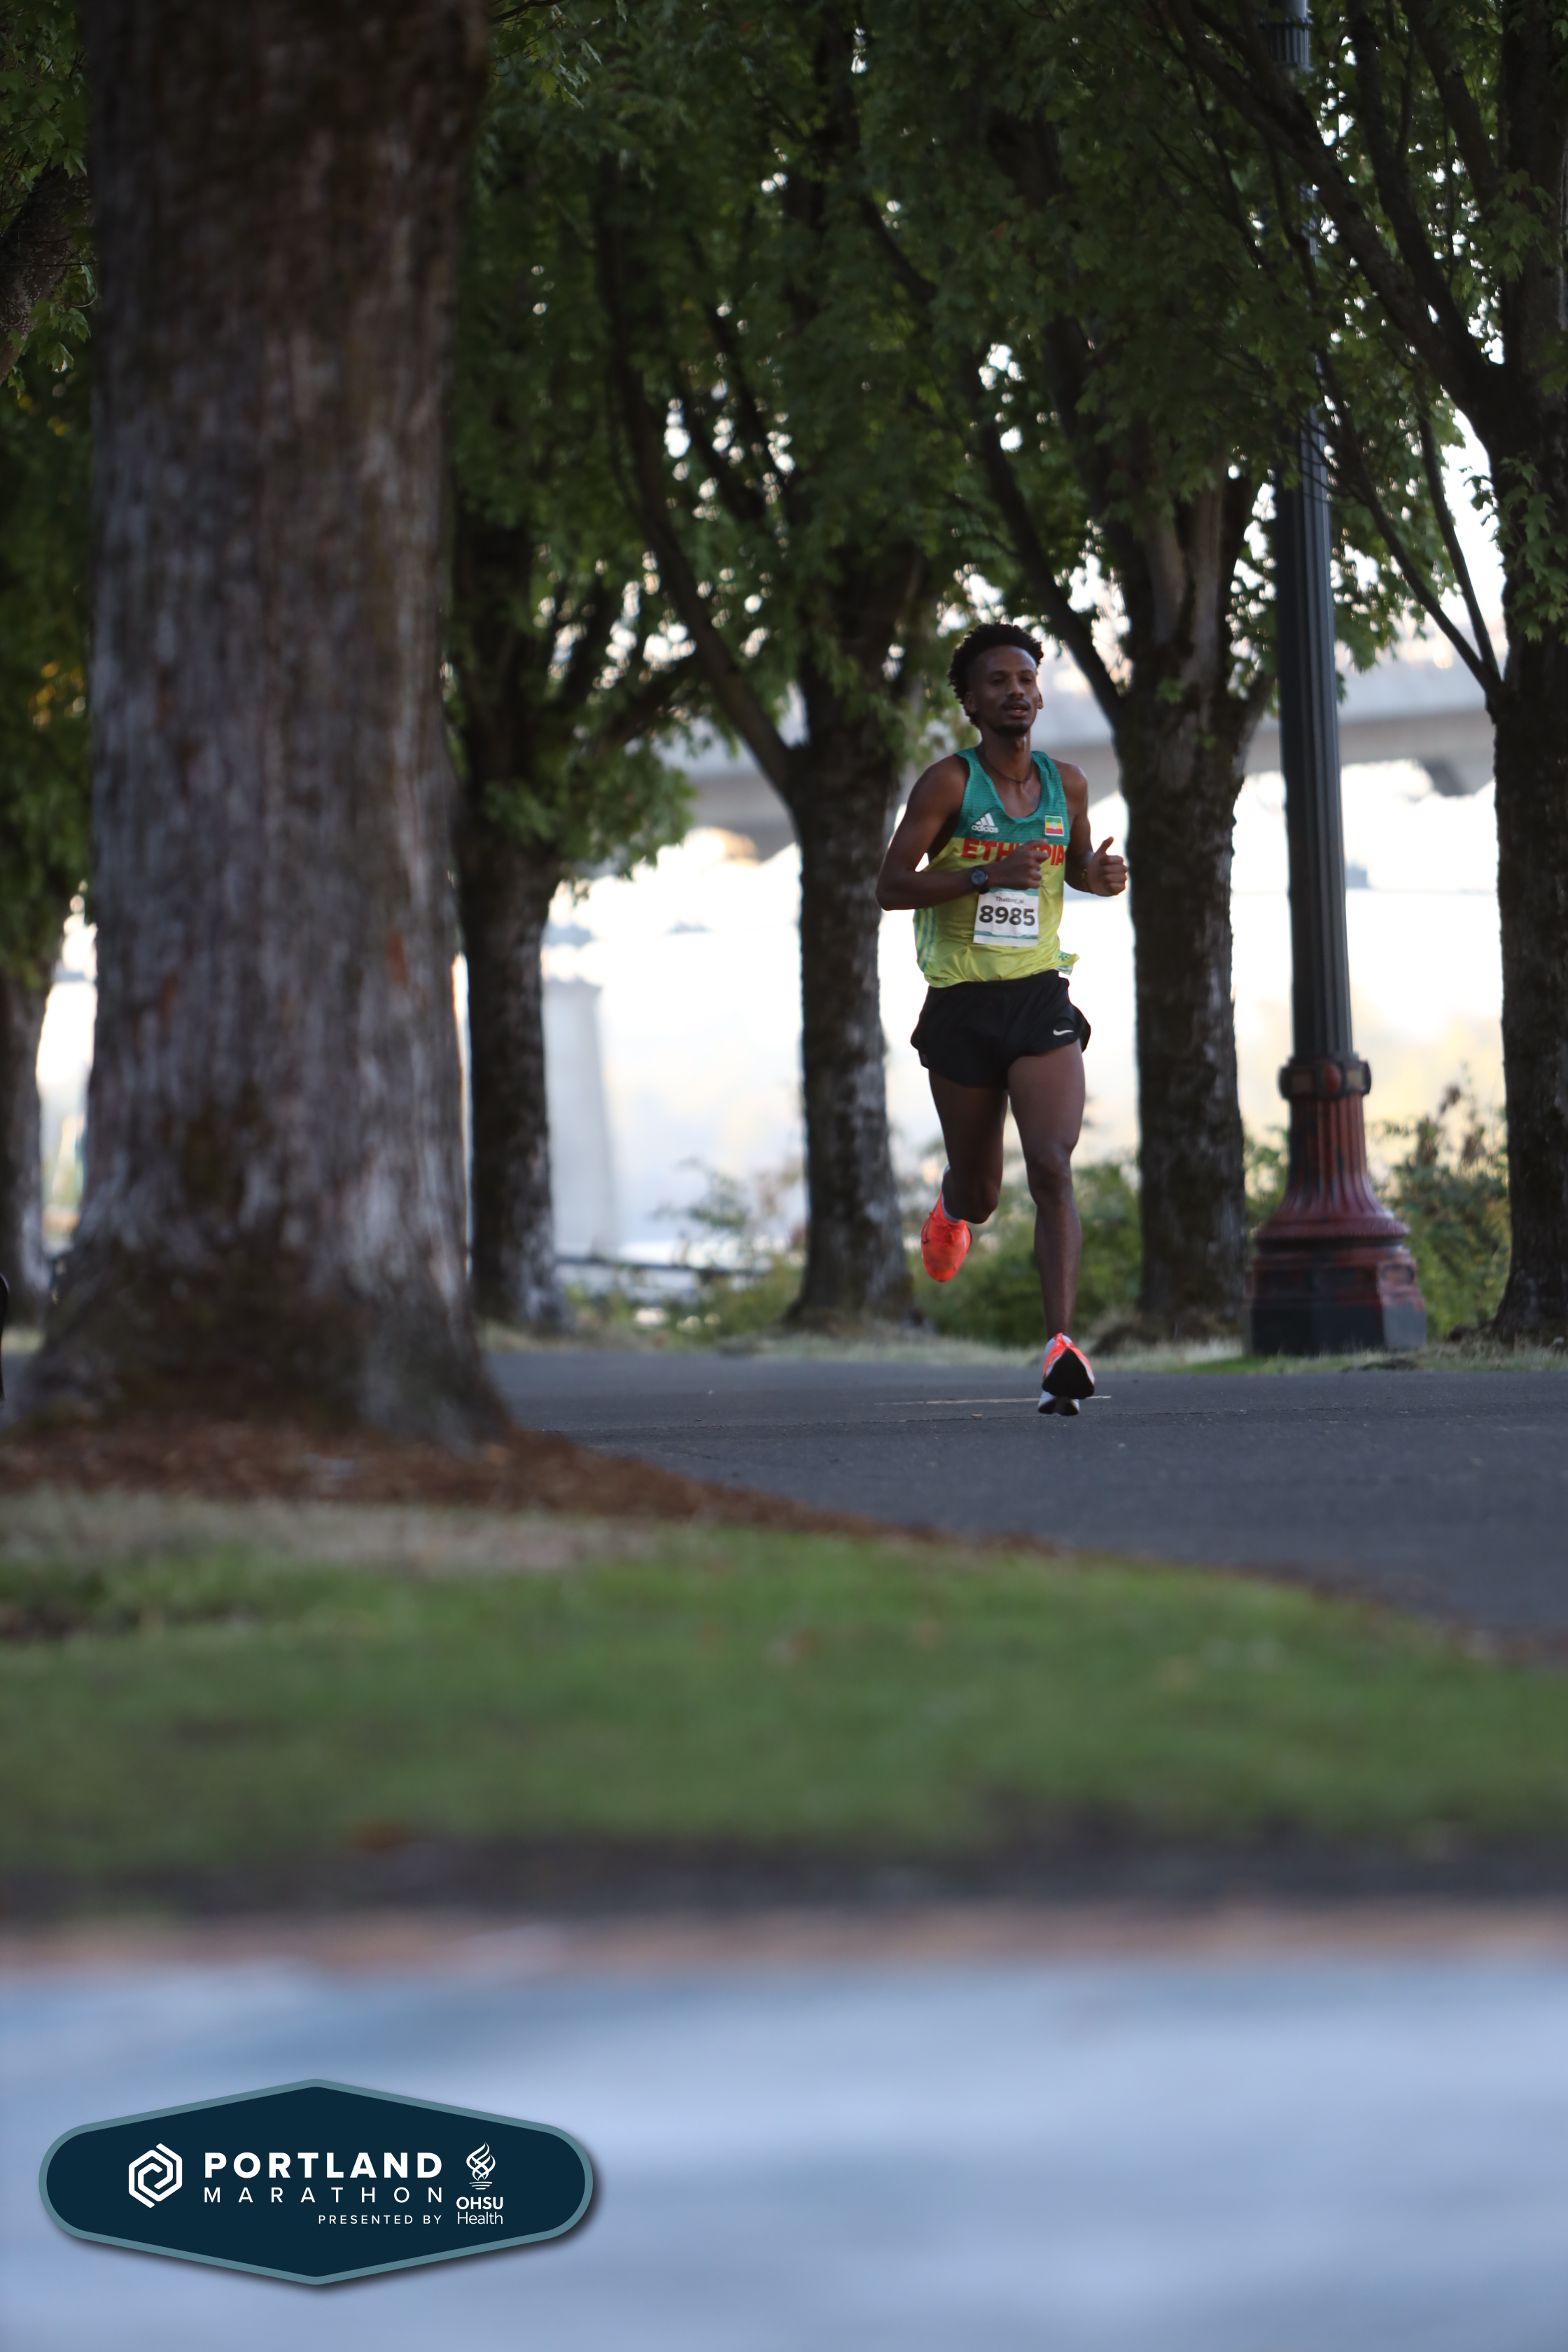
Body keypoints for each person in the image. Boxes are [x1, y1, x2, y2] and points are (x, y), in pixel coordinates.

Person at [876, 622, 1128, 1415]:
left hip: (1038, 995)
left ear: (1039, 696)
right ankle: (953, 1207)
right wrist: (983, 875)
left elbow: (1071, 866)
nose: (1015, 691)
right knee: (983, 1191)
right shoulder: (948, 785)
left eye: (1025, 679)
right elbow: (890, 886)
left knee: (1051, 1165)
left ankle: (1061, 1348)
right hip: (960, 1002)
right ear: (971, 703)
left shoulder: (1068, 785)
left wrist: (1098, 875)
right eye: (997, 681)